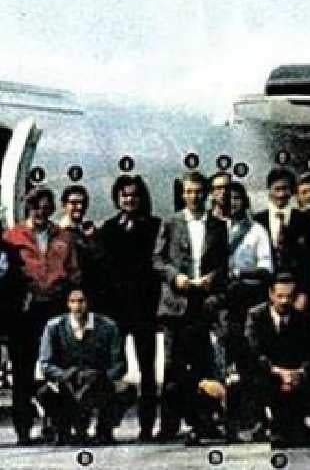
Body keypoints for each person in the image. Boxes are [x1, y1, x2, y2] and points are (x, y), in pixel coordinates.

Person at [153, 171, 229, 442]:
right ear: (182, 194)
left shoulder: (218, 226)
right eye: (188, 191)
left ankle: (203, 422)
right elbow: (158, 260)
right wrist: (177, 278)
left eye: (198, 191)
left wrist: (212, 279)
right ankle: (169, 424)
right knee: (173, 367)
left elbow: (223, 264)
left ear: (206, 194)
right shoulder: (171, 223)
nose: (193, 196)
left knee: (202, 365)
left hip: (203, 303)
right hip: (176, 304)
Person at [4, 187, 82, 444]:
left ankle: (58, 424)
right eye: (37, 207)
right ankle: (23, 428)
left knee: (58, 369)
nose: (41, 212)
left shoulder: (63, 237)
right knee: (23, 371)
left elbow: (73, 272)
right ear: (29, 208)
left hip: (55, 308)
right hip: (24, 312)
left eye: (47, 208)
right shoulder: (13, 237)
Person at [97, 174, 162, 441]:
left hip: (145, 308)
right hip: (116, 311)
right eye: (124, 195)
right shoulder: (109, 229)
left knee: (148, 371)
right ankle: (107, 423)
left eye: (134, 195)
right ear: (117, 198)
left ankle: (147, 425)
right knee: (112, 368)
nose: (129, 199)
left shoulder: (155, 226)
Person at [37, 287, 128, 445]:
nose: (77, 306)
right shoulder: (54, 326)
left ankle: (104, 430)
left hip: (97, 382)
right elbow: (45, 363)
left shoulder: (108, 326)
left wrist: (101, 378)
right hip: (67, 382)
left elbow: (119, 363)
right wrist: (66, 375)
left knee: (127, 390)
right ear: (67, 304)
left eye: (81, 301)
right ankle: (63, 429)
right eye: (73, 301)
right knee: (45, 393)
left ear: (89, 303)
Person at [223, 181, 274, 440]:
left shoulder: (256, 231)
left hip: (246, 304)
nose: (231, 203)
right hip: (219, 306)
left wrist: (239, 273)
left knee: (248, 364)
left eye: (236, 198)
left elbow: (266, 269)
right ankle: (226, 422)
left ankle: (255, 420)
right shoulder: (214, 229)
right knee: (221, 364)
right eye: (226, 198)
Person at [245, 273, 310, 446]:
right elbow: (253, 350)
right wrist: (277, 371)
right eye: (280, 296)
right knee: (258, 379)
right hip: (268, 371)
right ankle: (266, 425)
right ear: (271, 294)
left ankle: (299, 425)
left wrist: (298, 373)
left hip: (293, 374)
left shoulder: (302, 318)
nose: (284, 301)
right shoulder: (256, 316)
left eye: (289, 297)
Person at [253, 168, 310, 301]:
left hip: (297, 291)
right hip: (264, 290)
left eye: (285, 189)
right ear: (269, 190)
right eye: (277, 189)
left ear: (292, 191)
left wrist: (303, 293)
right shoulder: (257, 220)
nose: (281, 194)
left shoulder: (306, 220)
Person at [58, 185, 107, 314]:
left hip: (90, 295)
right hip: (65, 295)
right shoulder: (57, 233)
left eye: (82, 203)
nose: (79, 207)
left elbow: (100, 260)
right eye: (73, 203)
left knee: (88, 331)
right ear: (64, 205)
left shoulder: (90, 231)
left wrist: (92, 240)